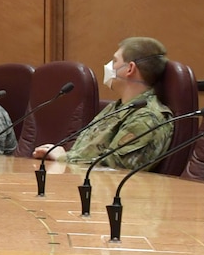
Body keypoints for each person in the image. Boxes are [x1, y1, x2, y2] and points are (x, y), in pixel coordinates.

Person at [35, 37, 174, 170]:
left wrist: (63, 158)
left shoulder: (147, 118)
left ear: (130, 69)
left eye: (114, 61)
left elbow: (114, 169)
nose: (109, 66)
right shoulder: (118, 107)